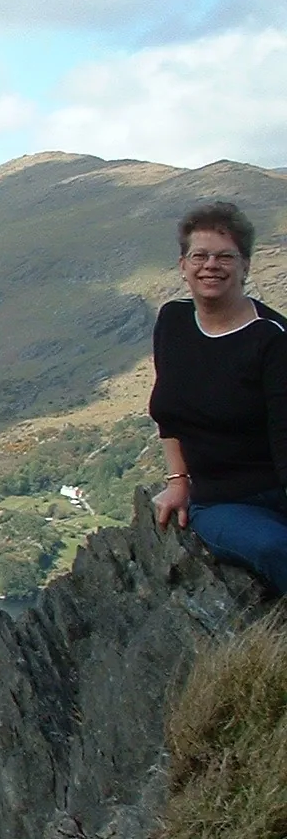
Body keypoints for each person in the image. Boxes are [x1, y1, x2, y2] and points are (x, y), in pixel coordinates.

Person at [149, 200, 287, 592]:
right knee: (276, 548)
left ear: (245, 266)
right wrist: (178, 482)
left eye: (226, 256)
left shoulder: (272, 338)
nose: (212, 265)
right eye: (200, 255)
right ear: (183, 266)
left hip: (277, 492)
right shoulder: (173, 321)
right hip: (219, 501)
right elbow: (168, 411)